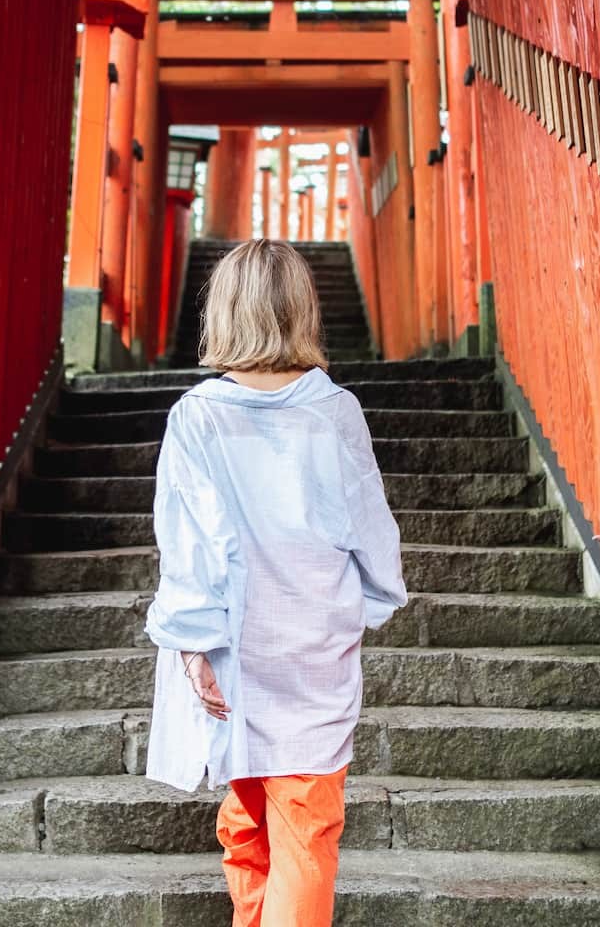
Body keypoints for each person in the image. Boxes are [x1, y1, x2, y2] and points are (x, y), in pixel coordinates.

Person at [143, 238, 409, 927]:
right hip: (316, 641)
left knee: (248, 823)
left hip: (235, 646)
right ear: (302, 310)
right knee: (300, 825)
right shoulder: (334, 411)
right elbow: (369, 527)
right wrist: (370, 600)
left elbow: (188, 546)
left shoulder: (197, 418)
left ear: (224, 311)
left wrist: (191, 644)